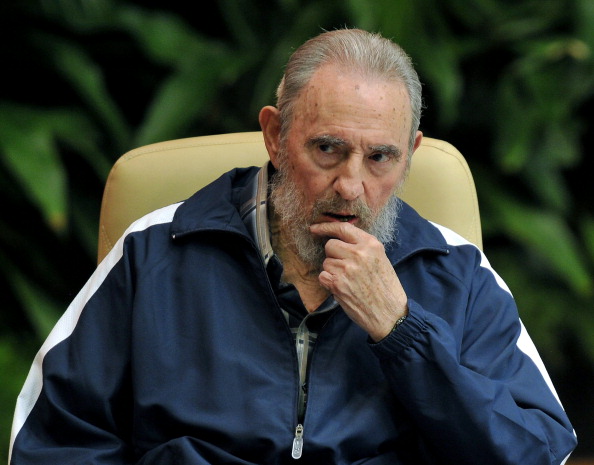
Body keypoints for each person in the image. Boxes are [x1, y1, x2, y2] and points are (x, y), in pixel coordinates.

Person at [9, 28, 576, 465]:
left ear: (411, 154)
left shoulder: (457, 273)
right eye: (327, 149)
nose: (351, 186)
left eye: (380, 157)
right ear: (275, 136)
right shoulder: (154, 251)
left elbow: (535, 453)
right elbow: (53, 442)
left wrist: (403, 332)